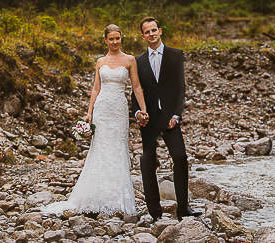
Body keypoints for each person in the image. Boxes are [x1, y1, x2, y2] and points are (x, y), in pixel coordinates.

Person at [44, 24, 148, 216]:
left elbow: (136, 87)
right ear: (105, 40)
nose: (115, 42)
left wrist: (143, 109)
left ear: (121, 38)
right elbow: (95, 88)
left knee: (117, 149)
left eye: (118, 38)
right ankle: (95, 195)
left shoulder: (130, 60)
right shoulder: (100, 61)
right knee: (99, 149)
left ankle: (117, 199)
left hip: (118, 110)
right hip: (101, 109)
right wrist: (89, 112)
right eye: (111, 39)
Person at [131, 16, 200, 221]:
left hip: (170, 118)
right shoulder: (138, 61)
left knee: (180, 158)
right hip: (149, 119)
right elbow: (136, 91)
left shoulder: (175, 55)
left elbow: (180, 88)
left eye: (154, 30)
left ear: (160, 31)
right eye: (147, 32)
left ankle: (183, 208)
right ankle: (154, 212)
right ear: (142, 36)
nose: (151, 34)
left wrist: (176, 115)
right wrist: (137, 113)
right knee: (148, 162)